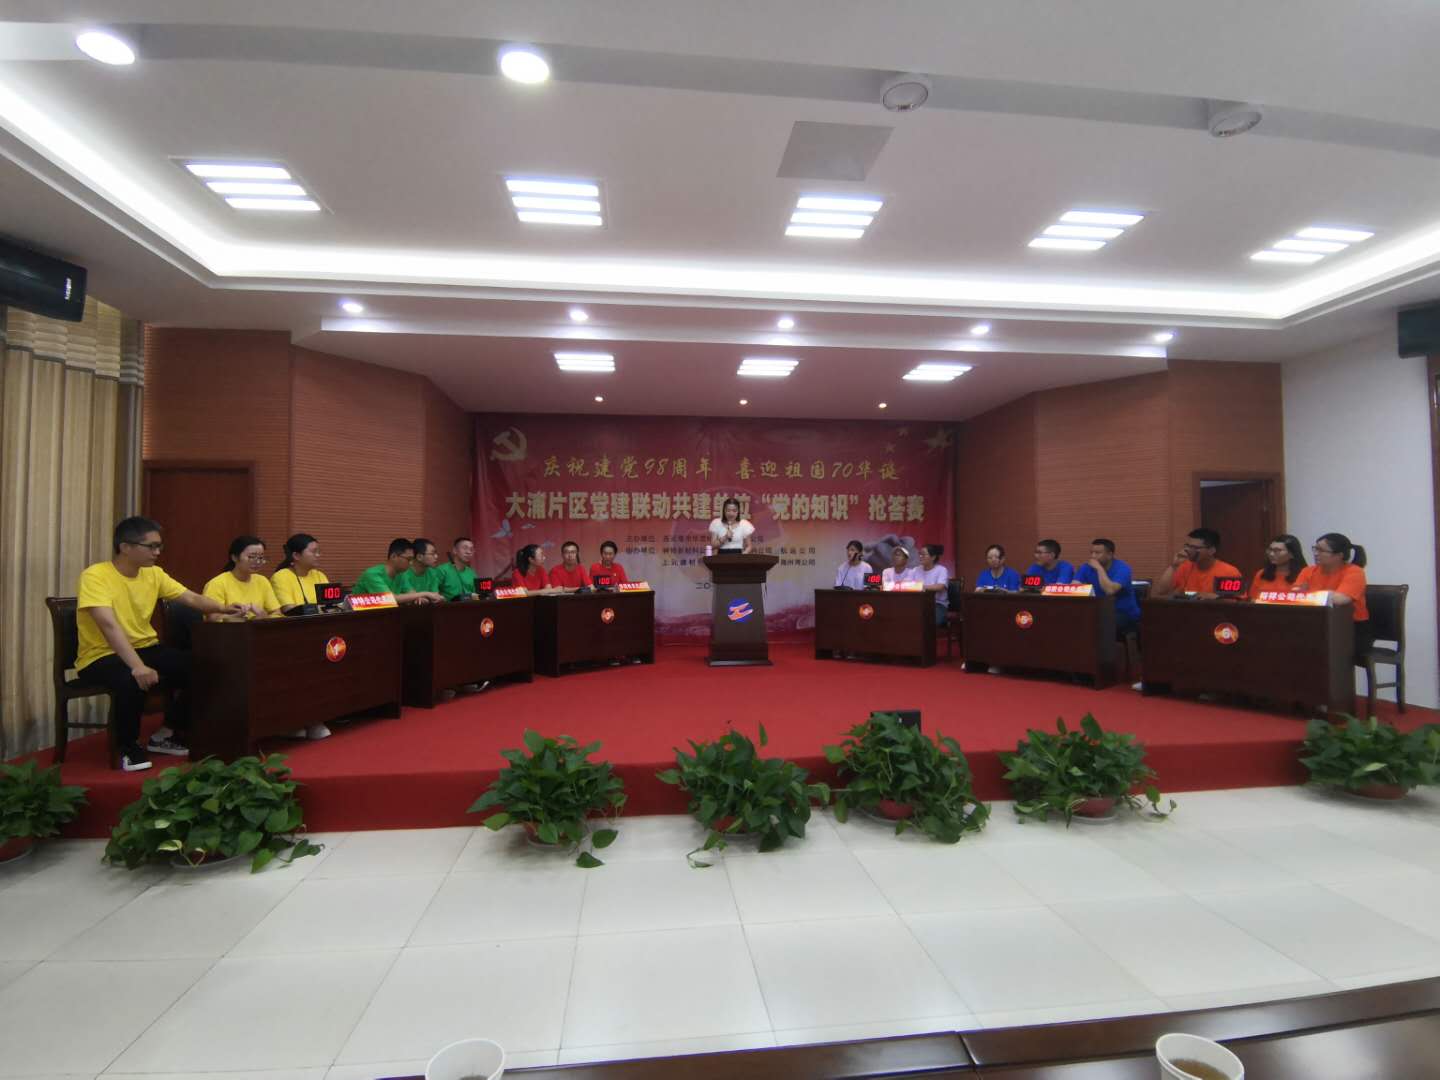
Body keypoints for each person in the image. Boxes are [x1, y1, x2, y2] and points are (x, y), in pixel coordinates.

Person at [75, 516, 244, 771]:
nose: (157, 552)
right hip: (100, 655)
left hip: (146, 648)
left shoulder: (153, 574)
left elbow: (191, 598)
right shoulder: (96, 575)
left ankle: (168, 732)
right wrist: (137, 666)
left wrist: (223, 608)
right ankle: (128, 748)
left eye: (159, 546)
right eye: (151, 546)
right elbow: (108, 625)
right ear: (125, 547)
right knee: (130, 679)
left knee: (208, 668)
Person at [1297, 533, 1372, 660]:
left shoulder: (1354, 572)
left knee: (1315, 649)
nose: (1316, 553)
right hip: (1317, 624)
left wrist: (1307, 595)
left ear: (1339, 555)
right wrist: (1325, 595)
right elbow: (1294, 596)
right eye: (1315, 549)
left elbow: (1340, 599)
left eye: (1321, 550)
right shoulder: (1308, 571)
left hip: (1351, 628)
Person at [202, 536, 281, 620]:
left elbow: (277, 613)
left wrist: (264, 616)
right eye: (251, 557)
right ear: (235, 558)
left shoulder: (262, 581)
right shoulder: (217, 583)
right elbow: (213, 618)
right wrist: (235, 617)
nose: (257, 562)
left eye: (261, 558)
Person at [1151, 527, 1242, 598]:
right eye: (1188, 546)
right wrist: (1173, 566)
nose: (1189, 550)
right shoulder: (1184, 567)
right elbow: (1161, 591)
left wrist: (1214, 598)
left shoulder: (1229, 572)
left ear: (1211, 550)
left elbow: (1236, 602)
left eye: (1195, 548)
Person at [1074, 538, 1141, 634]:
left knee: (1100, 625)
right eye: (1091, 552)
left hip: (1123, 613)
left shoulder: (1123, 568)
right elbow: (1074, 588)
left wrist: (1099, 569)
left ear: (1110, 555)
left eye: (1097, 553)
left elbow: (1110, 591)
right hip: (1097, 611)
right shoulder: (1086, 567)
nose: (1093, 556)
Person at [352, 539, 443, 603]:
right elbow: (389, 599)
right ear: (394, 556)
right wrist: (425, 593)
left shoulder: (401, 574)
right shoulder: (372, 574)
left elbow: (412, 593)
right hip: (358, 617)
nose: (411, 563)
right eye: (408, 559)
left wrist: (419, 599)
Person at [271, 533, 329, 612]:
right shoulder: (280, 577)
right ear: (296, 556)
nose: (318, 555)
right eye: (314, 552)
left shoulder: (320, 575)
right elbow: (289, 610)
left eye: (318, 551)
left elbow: (331, 605)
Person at [1251, 534, 1307, 598]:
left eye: (1277, 551)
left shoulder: (1305, 575)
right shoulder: (1262, 574)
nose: (1271, 554)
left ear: (1292, 554)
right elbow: (1253, 599)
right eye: (1270, 550)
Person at [436, 536, 479, 601]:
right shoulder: (442, 570)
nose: (468, 552)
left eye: (471, 549)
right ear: (455, 550)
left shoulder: (471, 572)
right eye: (465, 548)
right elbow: (433, 593)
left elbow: (477, 595)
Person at [917, 543, 950, 626]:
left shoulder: (941, 570)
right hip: (919, 603)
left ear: (933, 557)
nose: (920, 556)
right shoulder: (915, 570)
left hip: (937, 604)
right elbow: (908, 584)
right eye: (920, 554)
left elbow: (940, 586)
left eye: (923, 554)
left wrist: (920, 587)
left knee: (928, 621)